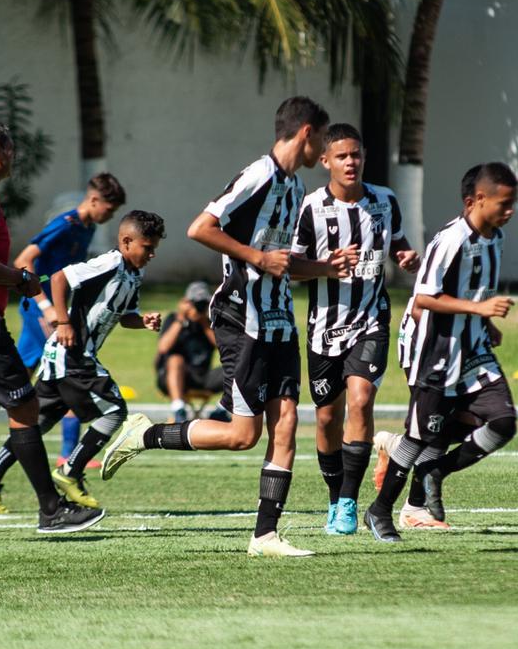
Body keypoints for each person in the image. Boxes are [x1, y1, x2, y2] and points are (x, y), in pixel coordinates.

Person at [101, 96, 334, 558]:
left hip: (279, 320)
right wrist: (255, 257)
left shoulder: (294, 187)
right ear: (306, 133)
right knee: (241, 435)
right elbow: (200, 228)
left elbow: (280, 263)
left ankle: (265, 535)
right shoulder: (259, 175)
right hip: (240, 318)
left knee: (285, 422)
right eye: (322, 139)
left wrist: (327, 268)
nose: (324, 149)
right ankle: (144, 434)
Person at [0, 119, 104, 531]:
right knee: (26, 403)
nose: (15, 156)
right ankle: (50, 509)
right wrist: (25, 284)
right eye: (11, 148)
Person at [364, 162, 518, 543]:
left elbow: (475, 293)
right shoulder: (451, 240)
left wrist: (485, 323)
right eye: (504, 203)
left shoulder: (494, 238)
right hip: (434, 350)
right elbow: (424, 299)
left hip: (473, 349)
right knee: (420, 436)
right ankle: (379, 510)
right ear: (476, 200)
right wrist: (479, 311)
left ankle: (434, 469)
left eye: (514, 202)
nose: (510, 210)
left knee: (502, 422)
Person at [0, 211, 164, 513]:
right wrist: (63, 321)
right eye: (147, 247)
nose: (151, 254)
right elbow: (60, 278)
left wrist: (143, 321)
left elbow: (125, 317)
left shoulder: (135, 274)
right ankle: (70, 471)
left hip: (65, 356)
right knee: (114, 410)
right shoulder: (109, 263)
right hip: (72, 353)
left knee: (39, 422)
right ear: (126, 242)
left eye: (154, 250)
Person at [0, 172, 126, 467]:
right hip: (42, 311)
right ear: (94, 199)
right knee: (69, 372)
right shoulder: (65, 224)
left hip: (51, 311)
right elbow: (25, 259)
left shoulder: (85, 228)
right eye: (109, 210)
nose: (109, 216)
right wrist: (48, 308)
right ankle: (67, 453)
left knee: (14, 380)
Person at [289, 123, 419, 537]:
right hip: (324, 328)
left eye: (356, 154)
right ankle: (334, 498)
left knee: (360, 401)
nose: (351, 162)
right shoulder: (310, 207)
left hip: (371, 320)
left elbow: (396, 241)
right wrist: (328, 267)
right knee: (328, 418)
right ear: (325, 161)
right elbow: (289, 269)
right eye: (342, 156)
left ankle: (349, 502)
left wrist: (405, 257)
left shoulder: (385, 200)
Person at [155, 281, 226, 422]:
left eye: (203, 303)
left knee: (238, 367)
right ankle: (179, 410)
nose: (199, 307)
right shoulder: (174, 319)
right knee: (175, 359)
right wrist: (181, 319)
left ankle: (222, 410)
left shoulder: (210, 323)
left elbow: (223, 349)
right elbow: (163, 348)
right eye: (196, 303)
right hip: (174, 377)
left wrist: (204, 323)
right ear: (186, 302)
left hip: (203, 376)